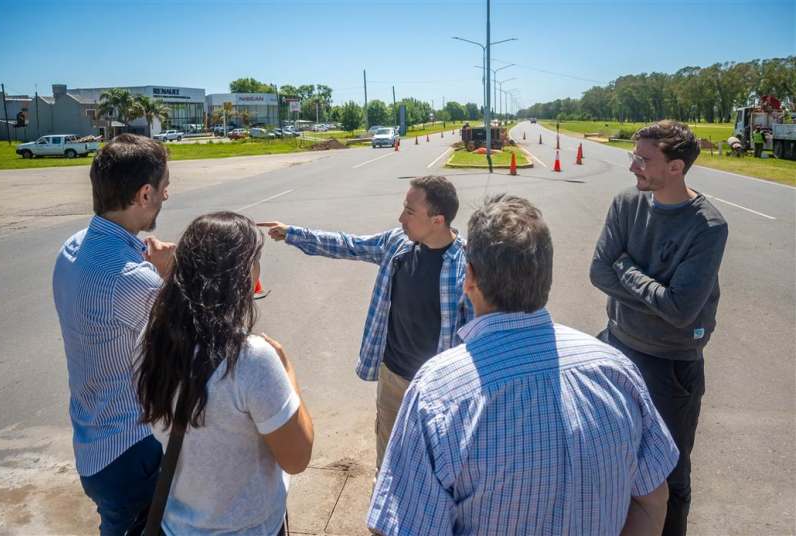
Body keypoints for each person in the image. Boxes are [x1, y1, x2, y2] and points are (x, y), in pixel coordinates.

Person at [368, 194, 679, 535]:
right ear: (546, 277)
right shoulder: (615, 369)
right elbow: (652, 500)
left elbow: (402, 527)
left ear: (469, 279)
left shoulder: (438, 391)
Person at [259, 175, 471, 469]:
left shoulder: (466, 267)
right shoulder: (397, 245)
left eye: (410, 212)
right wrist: (293, 233)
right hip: (393, 380)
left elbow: (476, 339)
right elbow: (348, 245)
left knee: (437, 462)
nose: (401, 219)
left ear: (438, 220)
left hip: (440, 388)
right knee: (389, 460)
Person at [135, 212, 313, 535]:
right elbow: (297, 458)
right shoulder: (252, 359)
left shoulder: (152, 339)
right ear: (244, 274)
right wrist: (289, 373)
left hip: (177, 524)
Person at [590, 120, 728, 536]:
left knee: (669, 472)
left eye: (644, 159)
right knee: (610, 457)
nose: (633, 166)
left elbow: (682, 309)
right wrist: (657, 296)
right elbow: (599, 271)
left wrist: (628, 268)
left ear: (676, 167)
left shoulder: (706, 226)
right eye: (634, 156)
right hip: (617, 348)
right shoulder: (626, 204)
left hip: (671, 366)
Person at [52, 133, 176, 535]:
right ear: (144, 194)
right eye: (162, 188)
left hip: (92, 440)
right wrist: (168, 273)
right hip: (131, 450)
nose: (165, 196)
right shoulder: (133, 279)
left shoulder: (71, 248)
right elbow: (194, 342)